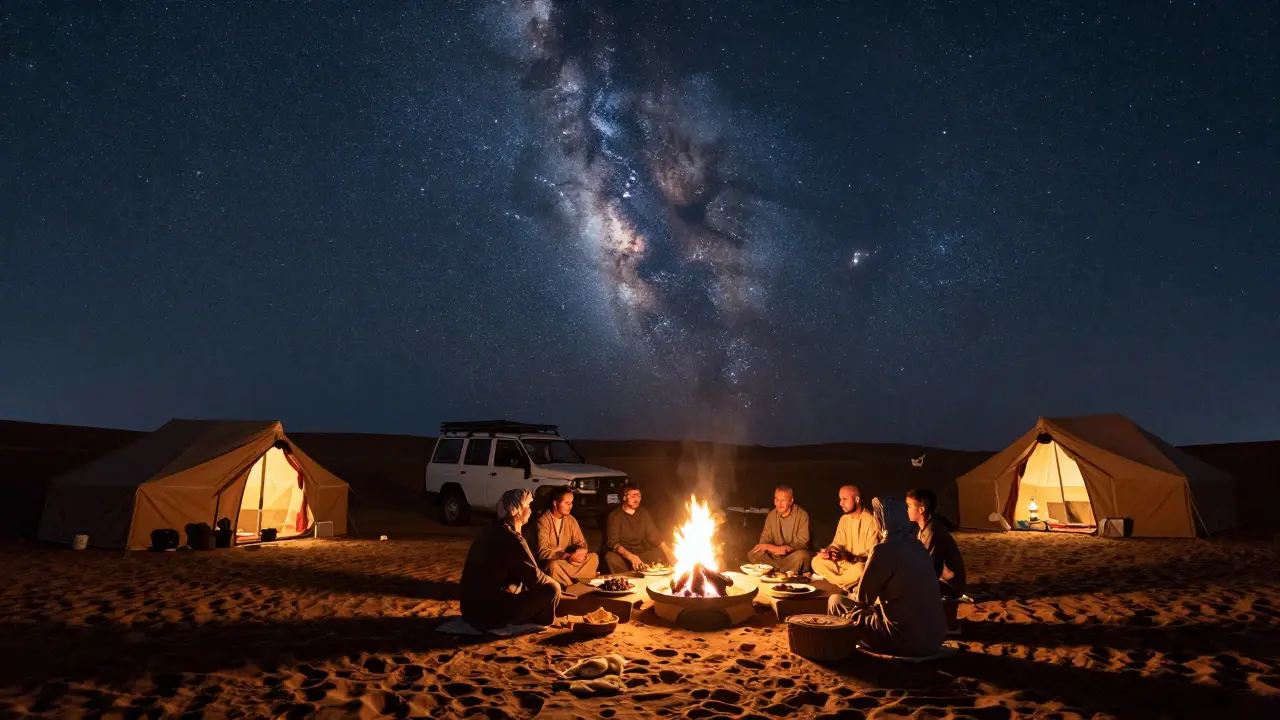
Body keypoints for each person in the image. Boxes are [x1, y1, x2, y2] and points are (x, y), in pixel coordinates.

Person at [827, 496, 948, 658]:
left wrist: (851, 593)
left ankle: (839, 651)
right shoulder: (918, 546)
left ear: (883, 520)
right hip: (934, 639)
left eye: (877, 517)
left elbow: (864, 598)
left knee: (836, 601)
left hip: (903, 641)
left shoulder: (883, 549)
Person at [460, 488, 561, 631]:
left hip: (470, 611)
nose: (531, 511)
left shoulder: (491, 529)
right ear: (519, 510)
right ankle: (534, 619)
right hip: (486, 614)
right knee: (551, 589)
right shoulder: (512, 538)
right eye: (528, 507)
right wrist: (555, 584)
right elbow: (535, 579)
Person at [810, 485, 882, 590]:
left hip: (857, 566)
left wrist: (847, 556)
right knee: (816, 561)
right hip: (843, 565)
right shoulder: (844, 519)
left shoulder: (872, 521)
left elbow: (871, 556)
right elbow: (837, 544)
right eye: (840, 499)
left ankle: (839, 582)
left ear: (857, 499)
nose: (841, 503)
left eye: (845, 499)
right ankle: (846, 583)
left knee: (861, 569)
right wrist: (830, 551)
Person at [601, 483, 677, 574]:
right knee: (610, 558)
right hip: (623, 555)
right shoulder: (615, 516)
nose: (636, 499)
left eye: (639, 496)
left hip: (640, 553)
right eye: (633, 495)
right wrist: (631, 557)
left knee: (664, 551)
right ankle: (626, 578)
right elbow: (613, 544)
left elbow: (654, 534)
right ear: (624, 498)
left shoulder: (643, 513)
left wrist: (669, 552)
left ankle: (650, 574)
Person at [905, 488, 967, 598]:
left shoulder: (932, 531)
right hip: (941, 580)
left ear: (921, 510)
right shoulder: (924, 528)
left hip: (948, 584)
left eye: (910, 506)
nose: (907, 509)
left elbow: (930, 567)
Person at [533, 486, 600, 586]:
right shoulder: (543, 521)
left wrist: (578, 553)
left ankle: (572, 580)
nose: (571, 506)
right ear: (555, 503)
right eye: (567, 503)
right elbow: (542, 552)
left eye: (571, 503)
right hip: (557, 562)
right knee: (553, 566)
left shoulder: (570, 519)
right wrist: (566, 556)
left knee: (594, 557)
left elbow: (582, 543)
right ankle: (572, 584)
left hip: (570, 563)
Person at [747, 485, 813, 573]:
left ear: (791, 501)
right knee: (753, 553)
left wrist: (785, 549)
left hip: (791, 556)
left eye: (783, 501)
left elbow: (803, 542)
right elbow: (765, 538)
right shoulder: (771, 515)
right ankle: (782, 570)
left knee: (804, 556)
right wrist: (771, 548)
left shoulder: (802, 515)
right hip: (774, 555)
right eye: (777, 500)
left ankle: (772, 570)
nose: (779, 504)